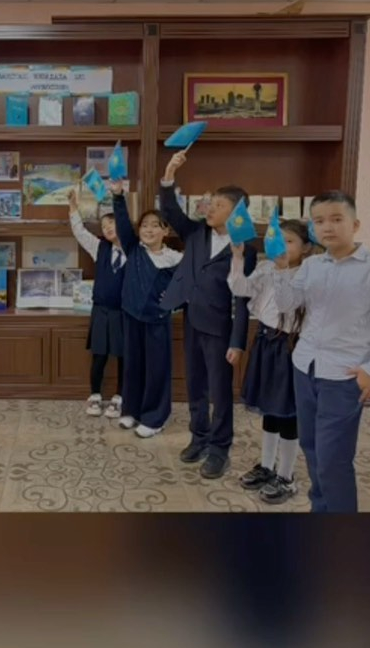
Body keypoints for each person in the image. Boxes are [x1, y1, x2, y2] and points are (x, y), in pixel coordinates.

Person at [272, 191, 370, 513]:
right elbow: (287, 305)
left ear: (355, 224)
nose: (327, 227)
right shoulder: (312, 265)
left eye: (336, 219)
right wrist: (281, 270)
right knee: (311, 446)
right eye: (319, 221)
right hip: (305, 367)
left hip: (345, 375)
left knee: (333, 457)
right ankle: (321, 509)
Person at [159, 150, 256, 479]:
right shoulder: (196, 232)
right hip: (192, 321)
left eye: (218, 205)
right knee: (195, 384)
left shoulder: (246, 248)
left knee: (220, 391)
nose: (210, 209)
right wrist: (169, 175)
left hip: (221, 328)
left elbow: (243, 299)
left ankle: (219, 449)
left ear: (237, 212)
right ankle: (199, 438)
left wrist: (237, 341)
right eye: (210, 204)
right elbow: (170, 210)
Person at [228, 220, 312, 504]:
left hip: (290, 346)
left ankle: (286, 476)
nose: (282, 246)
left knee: (288, 412)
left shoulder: (308, 274)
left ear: (306, 247)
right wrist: (237, 257)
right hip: (265, 342)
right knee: (270, 410)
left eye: (289, 241)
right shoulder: (265, 267)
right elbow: (240, 288)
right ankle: (266, 465)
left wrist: (284, 270)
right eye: (278, 239)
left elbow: (292, 305)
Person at [109, 181, 182, 438]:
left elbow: (188, 288)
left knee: (156, 370)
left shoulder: (175, 259)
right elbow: (122, 223)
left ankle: (155, 418)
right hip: (131, 317)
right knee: (133, 366)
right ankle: (132, 410)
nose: (148, 229)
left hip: (157, 321)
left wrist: (172, 302)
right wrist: (118, 197)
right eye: (144, 225)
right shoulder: (133, 249)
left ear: (165, 231)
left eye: (155, 225)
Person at [68, 187, 126, 417]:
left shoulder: (135, 250)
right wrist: (73, 207)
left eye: (112, 223)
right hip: (101, 311)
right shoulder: (99, 247)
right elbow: (79, 231)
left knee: (124, 357)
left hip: (124, 312)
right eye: (104, 226)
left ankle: (120, 397)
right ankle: (95, 395)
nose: (108, 228)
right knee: (99, 355)